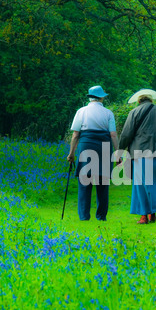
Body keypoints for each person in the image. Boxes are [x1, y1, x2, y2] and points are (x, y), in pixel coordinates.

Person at [119, 89, 156, 224]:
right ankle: (153, 214)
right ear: (151, 100)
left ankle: (144, 216)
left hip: (141, 153)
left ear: (139, 101)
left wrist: (120, 151)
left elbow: (126, 134)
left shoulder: (134, 112)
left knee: (141, 184)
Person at [67, 85, 119, 221]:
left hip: (86, 145)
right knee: (103, 182)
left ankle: (84, 216)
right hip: (104, 147)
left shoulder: (81, 111)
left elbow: (75, 134)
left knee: (85, 181)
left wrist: (71, 153)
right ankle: (101, 216)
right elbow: (113, 134)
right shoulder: (108, 113)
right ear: (101, 97)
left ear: (90, 97)